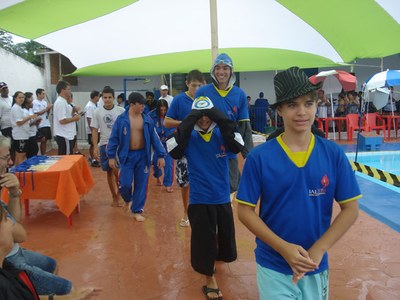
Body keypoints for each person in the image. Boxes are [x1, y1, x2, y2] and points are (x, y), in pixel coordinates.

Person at [236, 66, 361, 299]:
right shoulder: (260, 157)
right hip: (273, 264)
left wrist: (318, 250)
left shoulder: (332, 154)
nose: (302, 112)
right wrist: (283, 248)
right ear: (280, 110)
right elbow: (244, 211)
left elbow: (350, 209)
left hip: (314, 265)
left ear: (316, 106)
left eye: (308, 103)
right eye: (292, 105)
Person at [167, 96, 244, 300]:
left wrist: (216, 114)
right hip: (200, 200)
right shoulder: (188, 138)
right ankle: (209, 278)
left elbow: (239, 145)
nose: (203, 121)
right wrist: (190, 118)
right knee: (204, 241)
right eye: (198, 117)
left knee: (225, 241)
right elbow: (172, 150)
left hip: (222, 198)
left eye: (207, 116)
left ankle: (213, 259)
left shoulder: (223, 135)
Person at [0, 135, 96, 299]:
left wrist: (15, 193)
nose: (10, 163)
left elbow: (14, 220)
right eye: (5, 158)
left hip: (14, 250)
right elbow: (20, 234)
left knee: (51, 265)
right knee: (68, 288)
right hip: (10, 260)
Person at [195, 53, 253, 199]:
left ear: (231, 71)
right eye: (218, 68)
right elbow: (194, 120)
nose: (221, 72)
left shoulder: (239, 94)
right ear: (213, 71)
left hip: (229, 150)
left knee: (230, 188)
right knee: (209, 189)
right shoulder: (203, 92)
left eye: (225, 68)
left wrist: (248, 155)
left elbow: (244, 125)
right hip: (208, 149)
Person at [107, 92, 166, 222]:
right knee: (125, 184)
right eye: (141, 104)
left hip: (143, 156)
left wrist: (161, 155)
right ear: (132, 104)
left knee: (141, 184)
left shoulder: (147, 120)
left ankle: (137, 210)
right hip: (127, 156)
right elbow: (113, 138)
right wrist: (111, 156)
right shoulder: (121, 120)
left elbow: (155, 139)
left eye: (144, 104)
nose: (143, 107)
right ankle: (128, 199)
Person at [164, 69, 205, 227]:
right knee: (185, 183)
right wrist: (185, 123)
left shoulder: (207, 100)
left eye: (199, 85)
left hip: (204, 148)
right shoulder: (179, 100)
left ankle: (200, 213)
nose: (196, 89)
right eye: (193, 85)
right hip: (185, 148)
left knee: (202, 182)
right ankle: (186, 213)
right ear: (187, 84)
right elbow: (167, 122)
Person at [91, 87, 125, 207]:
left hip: (118, 145)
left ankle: (120, 195)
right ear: (102, 98)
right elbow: (95, 130)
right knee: (109, 172)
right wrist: (95, 146)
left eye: (109, 97)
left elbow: (126, 128)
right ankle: (114, 197)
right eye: (105, 97)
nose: (107, 100)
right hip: (104, 144)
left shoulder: (121, 111)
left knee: (117, 172)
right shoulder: (97, 112)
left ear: (113, 97)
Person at [149, 100, 175, 192]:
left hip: (168, 143)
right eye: (161, 110)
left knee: (169, 164)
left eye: (164, 110)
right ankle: (157, 175)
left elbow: (174, 127)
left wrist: (167, 134)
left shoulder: (171, 115)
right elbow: (150, 128)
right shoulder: (151, 116)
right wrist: (159, 134)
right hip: (157, 143)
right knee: (156, 163)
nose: (163, 112)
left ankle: (168, 184)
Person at [53, 81, 81, 155]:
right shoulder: (60, 102)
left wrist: (73, 112)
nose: (70, 91)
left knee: (67, 157)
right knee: (66, 158)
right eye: (68, 89)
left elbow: (67, 116)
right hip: (64, 135)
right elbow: (62, 120)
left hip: (67, 135)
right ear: (63, 90)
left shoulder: (64, 102)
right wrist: (75, 119)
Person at [10, 91, 38, 166]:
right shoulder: (16, 108)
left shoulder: (19, 108)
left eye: (23, 97)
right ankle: (19, 171)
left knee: (19, 155)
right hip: (20, 135)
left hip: (23, 134)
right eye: (19, 97)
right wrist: (29, 117)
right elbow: (18, 122)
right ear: (15, 98)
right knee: (21, 155)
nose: (21, 99)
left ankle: (16, 171)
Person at [32, 88, 53, 155]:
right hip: (40, 124)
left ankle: (44, 154)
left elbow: (47, 113)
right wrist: (47, 108)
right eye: (43, 93)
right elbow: (37, 113)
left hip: (46, 123)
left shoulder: (44, 102)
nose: (44, 95)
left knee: (45, 140)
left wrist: (49, 109)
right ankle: (40, 154)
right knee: (42, 139)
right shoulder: (35, 102)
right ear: (38, 94)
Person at [84, 90, 100, 167]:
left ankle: (93, 158)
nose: (99, 98)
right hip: (92, 130)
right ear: (95, 96)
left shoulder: (93, 105)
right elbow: (89, 118)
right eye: (98, 96)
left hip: (95, 129)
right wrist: (92, 130)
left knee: (94, 144)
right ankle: (93, 159)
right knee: (93, 144)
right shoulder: (90, 106)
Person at [23, 92, 41, 158]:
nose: (32, 103)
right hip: (28, 135)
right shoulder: (24, 111)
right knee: (31, 152)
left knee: (35, 150)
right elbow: (25, 124)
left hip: (33, 132)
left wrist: (37, 122)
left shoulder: (30, 110)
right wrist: (34, 122)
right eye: (31, 101)